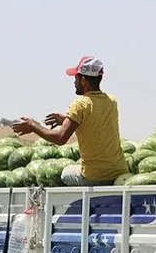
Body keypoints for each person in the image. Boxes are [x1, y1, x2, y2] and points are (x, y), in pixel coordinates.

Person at [12, 55, 128, 186]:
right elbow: (95, 124)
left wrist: (33, 126)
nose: (74, 82)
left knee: (65, 172)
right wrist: (68, 121)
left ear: (83, 80)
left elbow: (60, 138)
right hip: (119, 171)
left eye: (76, 78)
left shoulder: (80, 104)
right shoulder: (111, 101)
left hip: (94, 176)